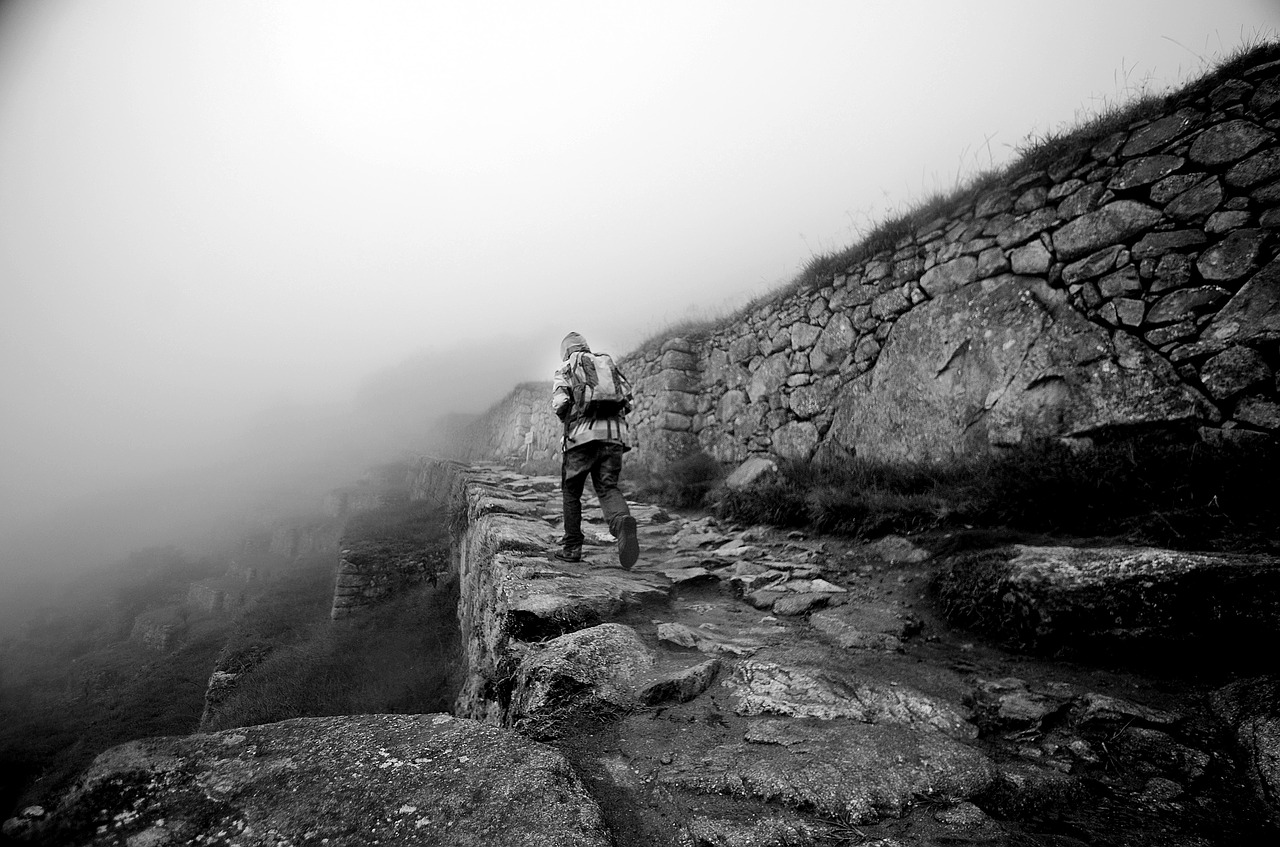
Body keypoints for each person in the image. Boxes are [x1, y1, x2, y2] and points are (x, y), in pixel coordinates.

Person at [551, 331, 640, 568]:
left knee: (571, 492)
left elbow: (560, 403)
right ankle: (622, 523)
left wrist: (567, 416)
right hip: (614, 437)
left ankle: (571, 548)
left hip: (581, 439)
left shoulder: (567, 368)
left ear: (565, 351)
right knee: (608, 486)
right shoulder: (605, 364)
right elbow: (629, 400)